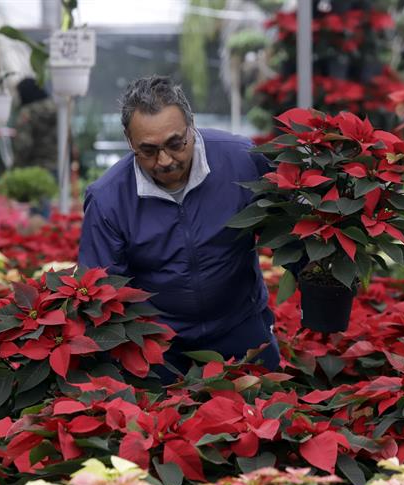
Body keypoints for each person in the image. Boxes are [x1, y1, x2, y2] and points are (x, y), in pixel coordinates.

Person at [78, 75, 279, 381]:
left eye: (175, 143)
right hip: (159, 344)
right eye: (147, 150)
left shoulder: (242, 160)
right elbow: (100, 289)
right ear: (129, 141)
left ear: (191, 125)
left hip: (240, 325)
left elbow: (288, 223)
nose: (165, 160)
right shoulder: (108, 199)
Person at [12, 78, 58, 173]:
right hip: (59, 166)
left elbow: (23, 145)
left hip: (36, 169)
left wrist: (15, 168)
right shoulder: (57, 109)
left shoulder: (27, 113)